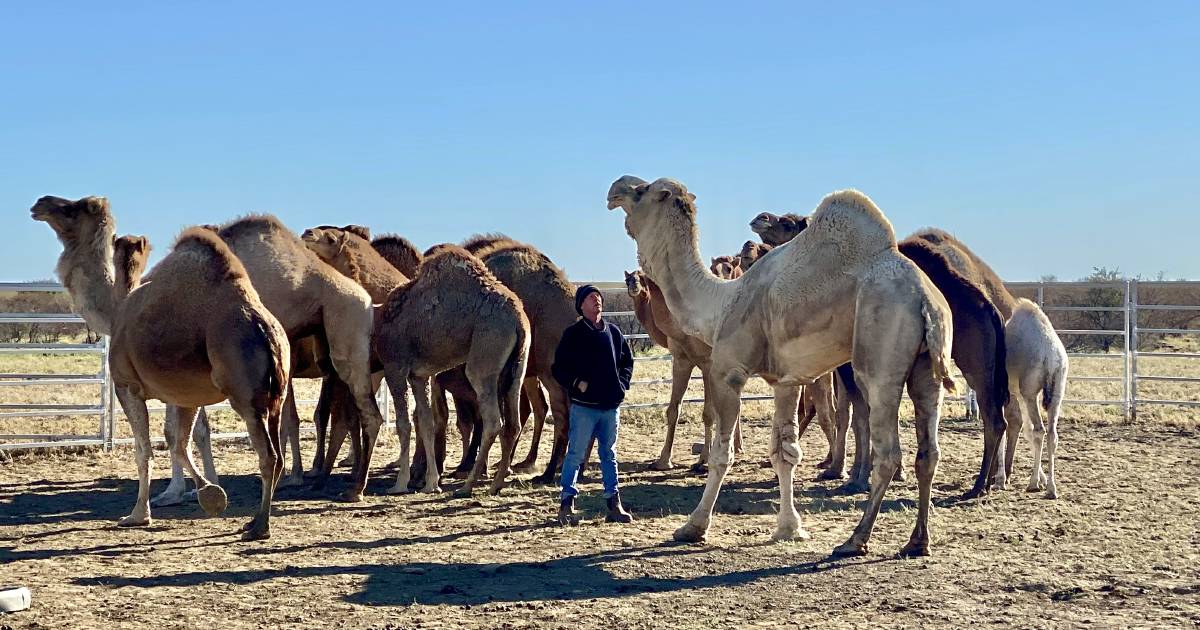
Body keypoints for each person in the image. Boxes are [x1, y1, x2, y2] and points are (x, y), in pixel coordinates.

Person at [551, 284, 635, 525]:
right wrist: (576, 383)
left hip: (610, 407)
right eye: (590, 297)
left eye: (598, 296)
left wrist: (622, 385)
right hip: (584, 407)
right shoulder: (573, 334)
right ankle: (567, 503)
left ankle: (613, 503)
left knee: (609, 455)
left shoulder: (614, 332)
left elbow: (627, 361)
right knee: (576, 454)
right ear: (581, 305)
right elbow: (559, 368)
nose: (597, 300)